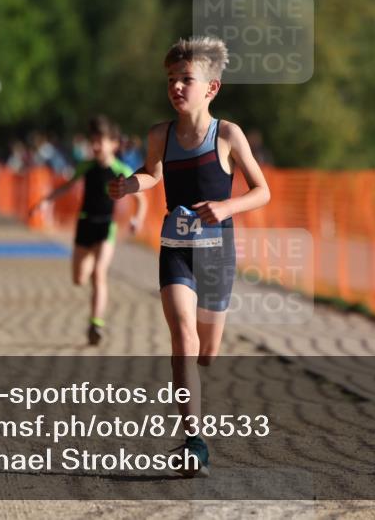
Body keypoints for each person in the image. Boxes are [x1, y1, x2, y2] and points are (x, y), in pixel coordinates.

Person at [109, 36, 270, 477]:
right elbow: (151, 174)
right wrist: (129, 184)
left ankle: (197, 388)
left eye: (186, 79)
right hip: (176, 250)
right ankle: (193, 440)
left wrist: (226, 207)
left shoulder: (228, 135)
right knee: (183, 338)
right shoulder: (160, 134)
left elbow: (263, 191)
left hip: (217, 253)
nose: (177, 87)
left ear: (211, 88)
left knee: (207, 352)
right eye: (171, 80)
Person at [31, 116, 147, 346]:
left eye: (99, 141)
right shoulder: (86, 166)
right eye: (92, 141)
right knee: (79, 278)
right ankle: (90, 275)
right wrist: (46, 202)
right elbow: (66, 187)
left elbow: (141, 200)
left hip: (106, 226)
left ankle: (96, 323)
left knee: (99, 274)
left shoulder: (121, 169)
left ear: (114, 143)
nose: (94, 146)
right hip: (85, 224)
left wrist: (137, 219)